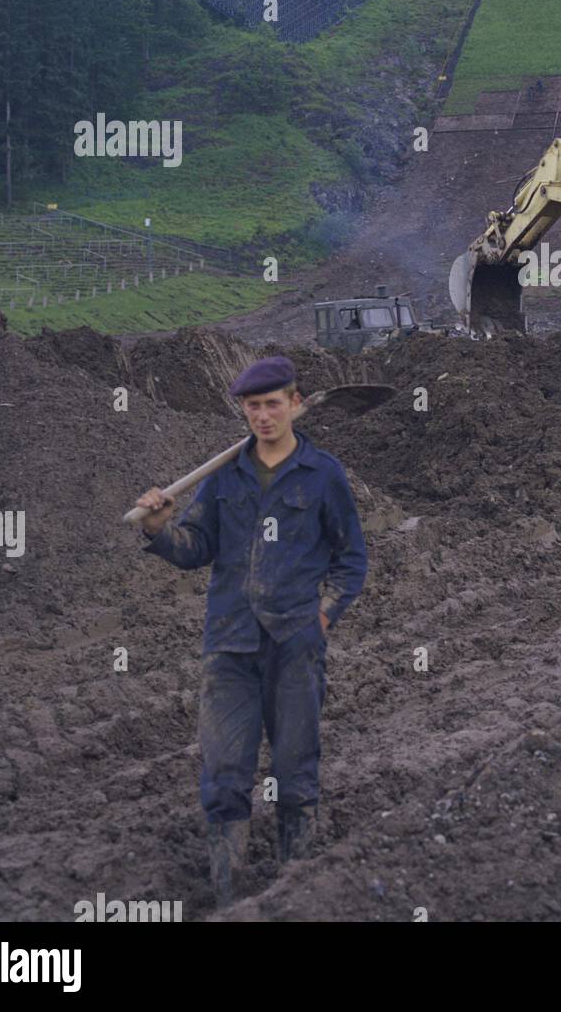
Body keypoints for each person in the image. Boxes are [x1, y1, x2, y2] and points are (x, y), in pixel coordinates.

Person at [134, 356, 366, 908]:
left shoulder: (323, 475)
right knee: (224, 774)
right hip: (230, 646)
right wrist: (159, 530)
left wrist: (323, 617)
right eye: (252, 407)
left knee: (295, 771)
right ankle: (228, 893)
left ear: (294, 403)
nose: (262, 415)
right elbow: (197, 548)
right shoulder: (225, 475)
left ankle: (295, 894)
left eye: (272, 404)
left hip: (295, 647)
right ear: (243, 410)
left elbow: (351, 560)